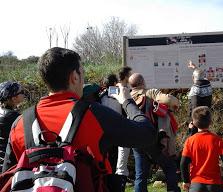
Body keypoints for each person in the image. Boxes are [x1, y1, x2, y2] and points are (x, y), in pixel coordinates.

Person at [2, 47, 157, 191]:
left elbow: (8, 176)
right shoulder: (94, 115)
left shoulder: (20, 123)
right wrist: (127, 101)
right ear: (74, 77)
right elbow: (147, 134)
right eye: (82, 73)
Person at [129, 73, 180, 192]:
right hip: (152, 138)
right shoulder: (150, 93)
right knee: (169, 166)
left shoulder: (127, 97)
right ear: (142, 82)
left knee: (140, 174)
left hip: (135, 139)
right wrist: (177, 102)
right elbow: (168, 100)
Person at [180, 106, 223, 192]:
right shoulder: (217, 139)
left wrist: (186, 181)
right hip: (215, 184)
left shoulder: (190, 141)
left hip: (196, 184)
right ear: (210, 122)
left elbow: (183, 163)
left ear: (193, 123)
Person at [0, 81, 25, 172]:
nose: (24, 94)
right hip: (7, 163)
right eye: (22, 92)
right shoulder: (14, 117)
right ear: (14, 98)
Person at [187, 61, 213, 135]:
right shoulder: (208, 84)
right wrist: (194, 68)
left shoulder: (196, 88)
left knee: (194, 138)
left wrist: (192, 121)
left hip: (197, 119)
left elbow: (194, 105)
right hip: (206, 117)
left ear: (193, 77)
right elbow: (200, 75)